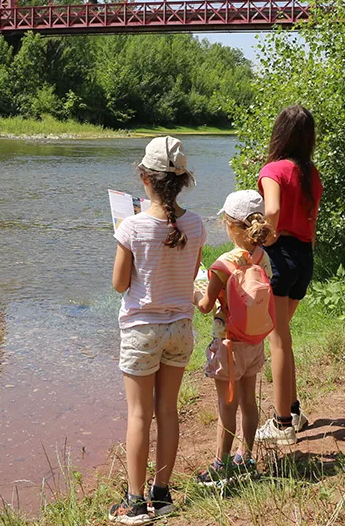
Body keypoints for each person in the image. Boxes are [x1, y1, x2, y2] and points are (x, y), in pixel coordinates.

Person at [108, 136, 206, 524]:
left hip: (142, 329)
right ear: (182, 181)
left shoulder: (131, 226)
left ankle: (134, 503)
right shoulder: (196, 224)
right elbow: (189, 271)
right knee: (168, 411)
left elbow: (119, 284)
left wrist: (123, 235)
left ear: (144, 178)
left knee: (138, 415)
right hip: (180, 328)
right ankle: (161, 497)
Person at [193, 190, 275, 486]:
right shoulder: (263, 257)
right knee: (248, 401)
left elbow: (205, 306)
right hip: (254, 341)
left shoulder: (224, 263)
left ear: (230, 225)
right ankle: (247, 457)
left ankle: (220, 466)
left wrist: (194, 288)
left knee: (226, 407)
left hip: (227, 343)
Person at [254, 105, 322, 447]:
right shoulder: (312, 174)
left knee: (278, 340)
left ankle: (282, 425)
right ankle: (293, 411)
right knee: (284, 336)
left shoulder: (273, 169)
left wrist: (269, 235)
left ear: (279, 132)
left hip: (281, 260)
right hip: (304, 259)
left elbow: (273, 210)